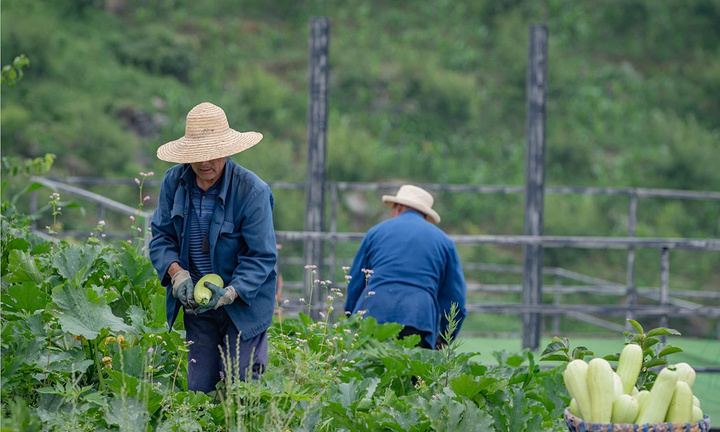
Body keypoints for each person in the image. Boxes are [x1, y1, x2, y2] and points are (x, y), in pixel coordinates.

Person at [149, 102, 278, 393]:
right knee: (199, 391)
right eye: (198, 155)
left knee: (242, 388)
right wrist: (177, 273)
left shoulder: (253, 191)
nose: (205, 162)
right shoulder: (174, 182)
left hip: (243, 305)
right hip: (197, 304)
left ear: (227, 149)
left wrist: (232, 291)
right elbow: (161, 238)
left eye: (213, 154)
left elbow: (261, 256)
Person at [343, 185, 467, 349]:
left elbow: (356, 283)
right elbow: (454, 298)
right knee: (413, 372)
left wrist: (351, 321)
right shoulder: (444, 242)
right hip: (418, 317)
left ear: (399, 208)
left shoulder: (375, 233)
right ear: (424, 215)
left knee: (369, 371)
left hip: (374, 312)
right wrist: (445, 337)